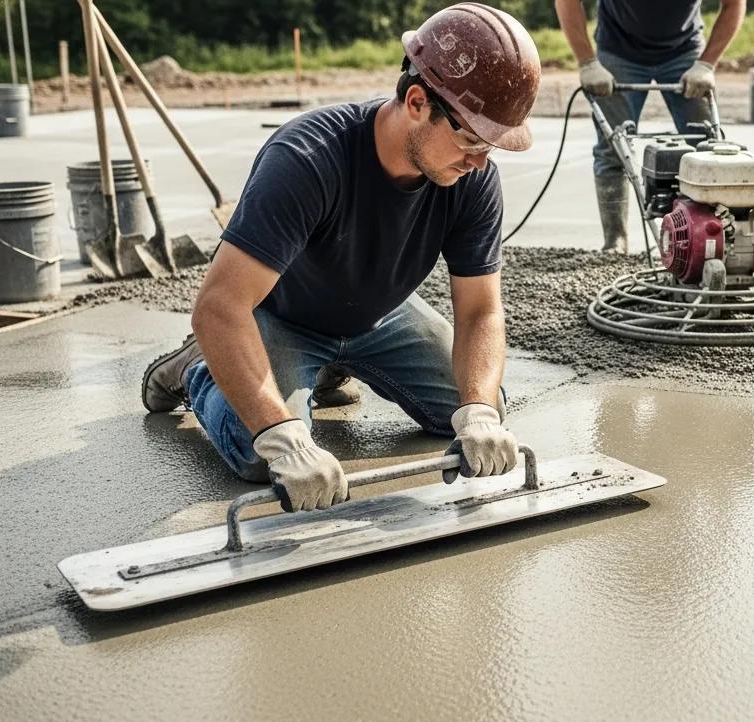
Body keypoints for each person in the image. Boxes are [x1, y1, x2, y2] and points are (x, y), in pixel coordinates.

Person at [139, 3, 541, 512]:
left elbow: (481, 310)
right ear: (417, 101)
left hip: (379, 314)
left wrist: (480, 411)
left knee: (477, 409)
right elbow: (220, 306)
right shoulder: (307, 160)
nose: (480, 161)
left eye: (493, 147)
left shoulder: (472, 176)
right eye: (471, 140)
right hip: (284, 316)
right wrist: (282, 436)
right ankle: (200, 366)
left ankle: (327, 368)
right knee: (258, 455)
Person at [556, 0, 747, 253]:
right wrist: (587, 62)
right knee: (612, 147)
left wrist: (707, 64)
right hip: (618, 50)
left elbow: (734, 5)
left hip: (684, 51)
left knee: (707, 146)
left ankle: (709, 237)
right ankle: (615, 240)